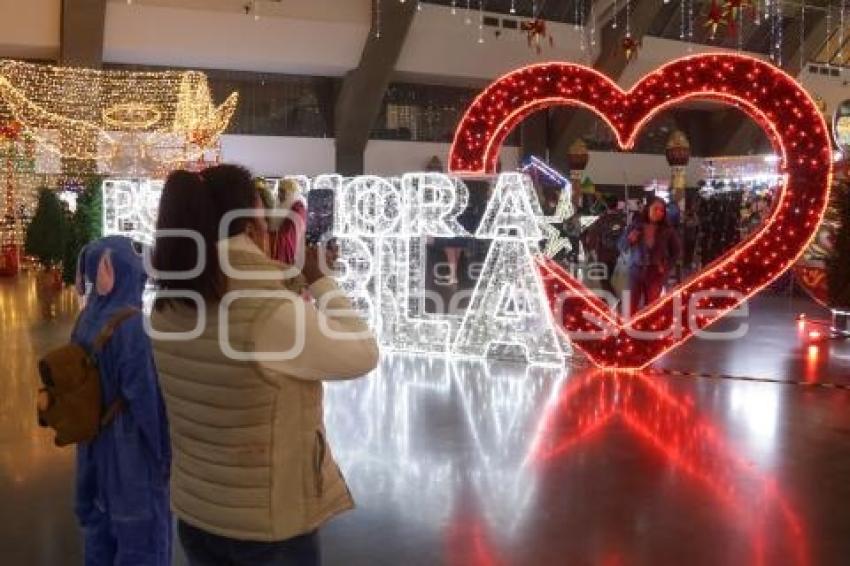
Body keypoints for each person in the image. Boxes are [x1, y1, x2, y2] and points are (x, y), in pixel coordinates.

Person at [150, 165, 379, 566]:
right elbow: (362, 351)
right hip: (268, 527)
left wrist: (289, 280)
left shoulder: (168, 306)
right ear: (251, 225)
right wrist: (322, 281)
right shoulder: (270, 315)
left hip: (198, 511)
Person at [72, 236, 172, 565]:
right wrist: (163, 454)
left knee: (99, 533)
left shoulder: (86, 320)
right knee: (141, 540)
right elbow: (143, 398)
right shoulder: (132, 326)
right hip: (129, 451)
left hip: (92, 442)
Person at [618, 197, 682, 316]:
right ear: (648, 209)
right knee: (629, 307)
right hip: (635, 271)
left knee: (651, 309)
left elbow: (677, 251)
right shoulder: (635, 226)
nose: (659, 213)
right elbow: (621, 246)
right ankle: (628, 331)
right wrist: (629, 240)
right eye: (655, 209)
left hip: (655, 273)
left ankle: (647, 330)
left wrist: (667, 267)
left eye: (662, 210)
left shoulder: (668, 230)